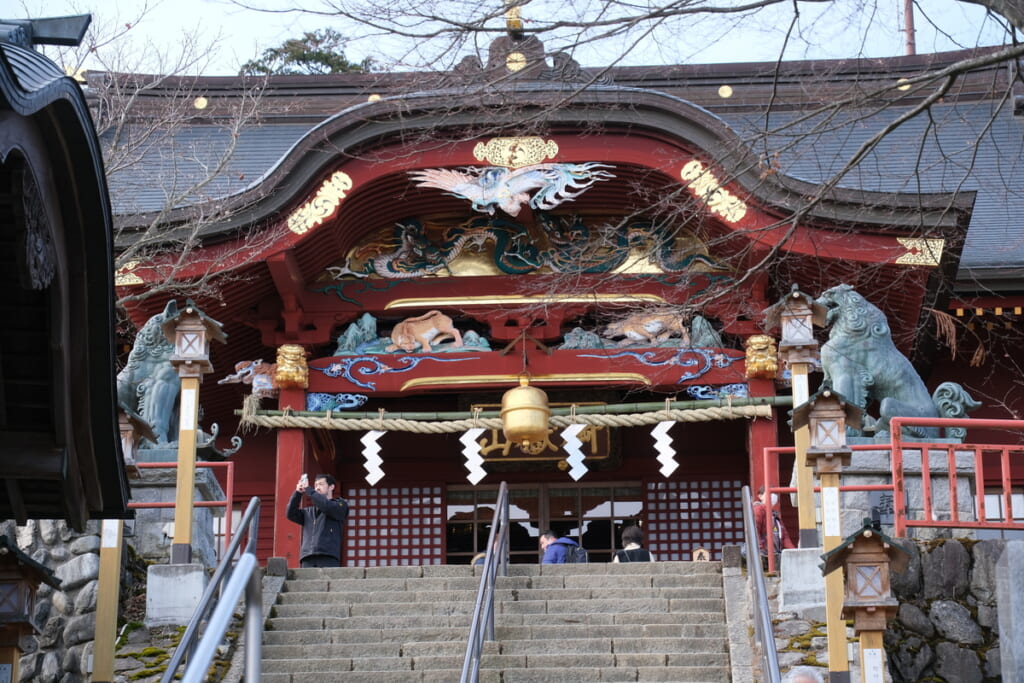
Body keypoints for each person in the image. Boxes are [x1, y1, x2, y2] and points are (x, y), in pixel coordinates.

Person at [286, 473, 350, 568]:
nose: (317, 487)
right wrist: (298, 493)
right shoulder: (308, 512)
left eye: (321, 484)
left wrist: (310, 491)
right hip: (307, 556)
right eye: (315, 485)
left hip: (328, 555)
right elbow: (290, 513)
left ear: (331, 487)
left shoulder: (340, 505)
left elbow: (327, 506)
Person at [753, 485, 795, 561]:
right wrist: (760, 551)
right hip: (764, 555)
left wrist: (793, 552)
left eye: (775, 493)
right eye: (769, 492)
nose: (773, 496)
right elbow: (755, 531)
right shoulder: (758, 510)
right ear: (760, 496)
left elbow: (785, 537)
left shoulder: (775, 515)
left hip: (775, 554)